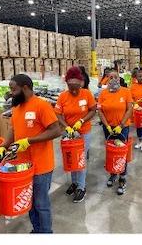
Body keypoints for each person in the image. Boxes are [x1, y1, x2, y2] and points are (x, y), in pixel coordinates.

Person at [0, 74, 61, 234]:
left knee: (41, 203)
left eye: (13, 89)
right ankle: (36, 230)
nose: (11, 93)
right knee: (29, 202)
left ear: (25, 88)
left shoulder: (41, 105)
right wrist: (3, 146)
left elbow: (56, 130)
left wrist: (29, 141)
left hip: (41, 166)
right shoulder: (16, 107)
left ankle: (46, 233)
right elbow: (14, 129)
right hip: (23, 166)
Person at [54, 65, 97, 203]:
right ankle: (74, 182)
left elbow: (93, 110)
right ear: (67, 84)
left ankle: (81, 187)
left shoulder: (86, 94)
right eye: (70, 87)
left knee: (80, 159)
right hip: (69, 133)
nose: (73, 90)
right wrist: (67, 127)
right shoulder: (63, 96)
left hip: (84, 132)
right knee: (71, 158)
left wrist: (82, 120)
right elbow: (58, 114)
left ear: (81, 84)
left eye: (76, 87)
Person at [96, 67, 133, 195]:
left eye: (115, 77)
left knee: (122, 152)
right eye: (110, 77)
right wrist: (106, 126)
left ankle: (122, 177)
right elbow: (99, 110)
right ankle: (113, 173)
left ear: (119, 78)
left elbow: (129, 109)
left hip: (122, 127)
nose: (113, 79)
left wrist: (121, 125)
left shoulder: (125, 92)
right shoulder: (103, 93)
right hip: (108, 128)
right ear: (107, 79)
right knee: (111, 152)